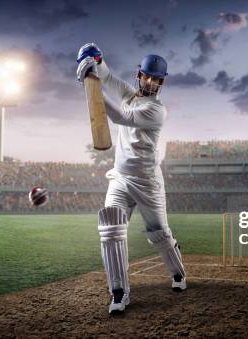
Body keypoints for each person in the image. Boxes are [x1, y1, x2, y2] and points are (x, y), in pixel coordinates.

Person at [76, 43, 186, 315]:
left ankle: (179, 274)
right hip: (121, 178)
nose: (149, 81)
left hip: (147, 182)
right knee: (110, 227)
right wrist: (97, 62)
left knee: (159, 234)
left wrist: (90, 85)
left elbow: (122, 117)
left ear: (161, 83)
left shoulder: (157, 110)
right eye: (146, 75)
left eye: (155, 79)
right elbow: (110, 78)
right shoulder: (129, 94)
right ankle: (119, 292)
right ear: (139, 74)